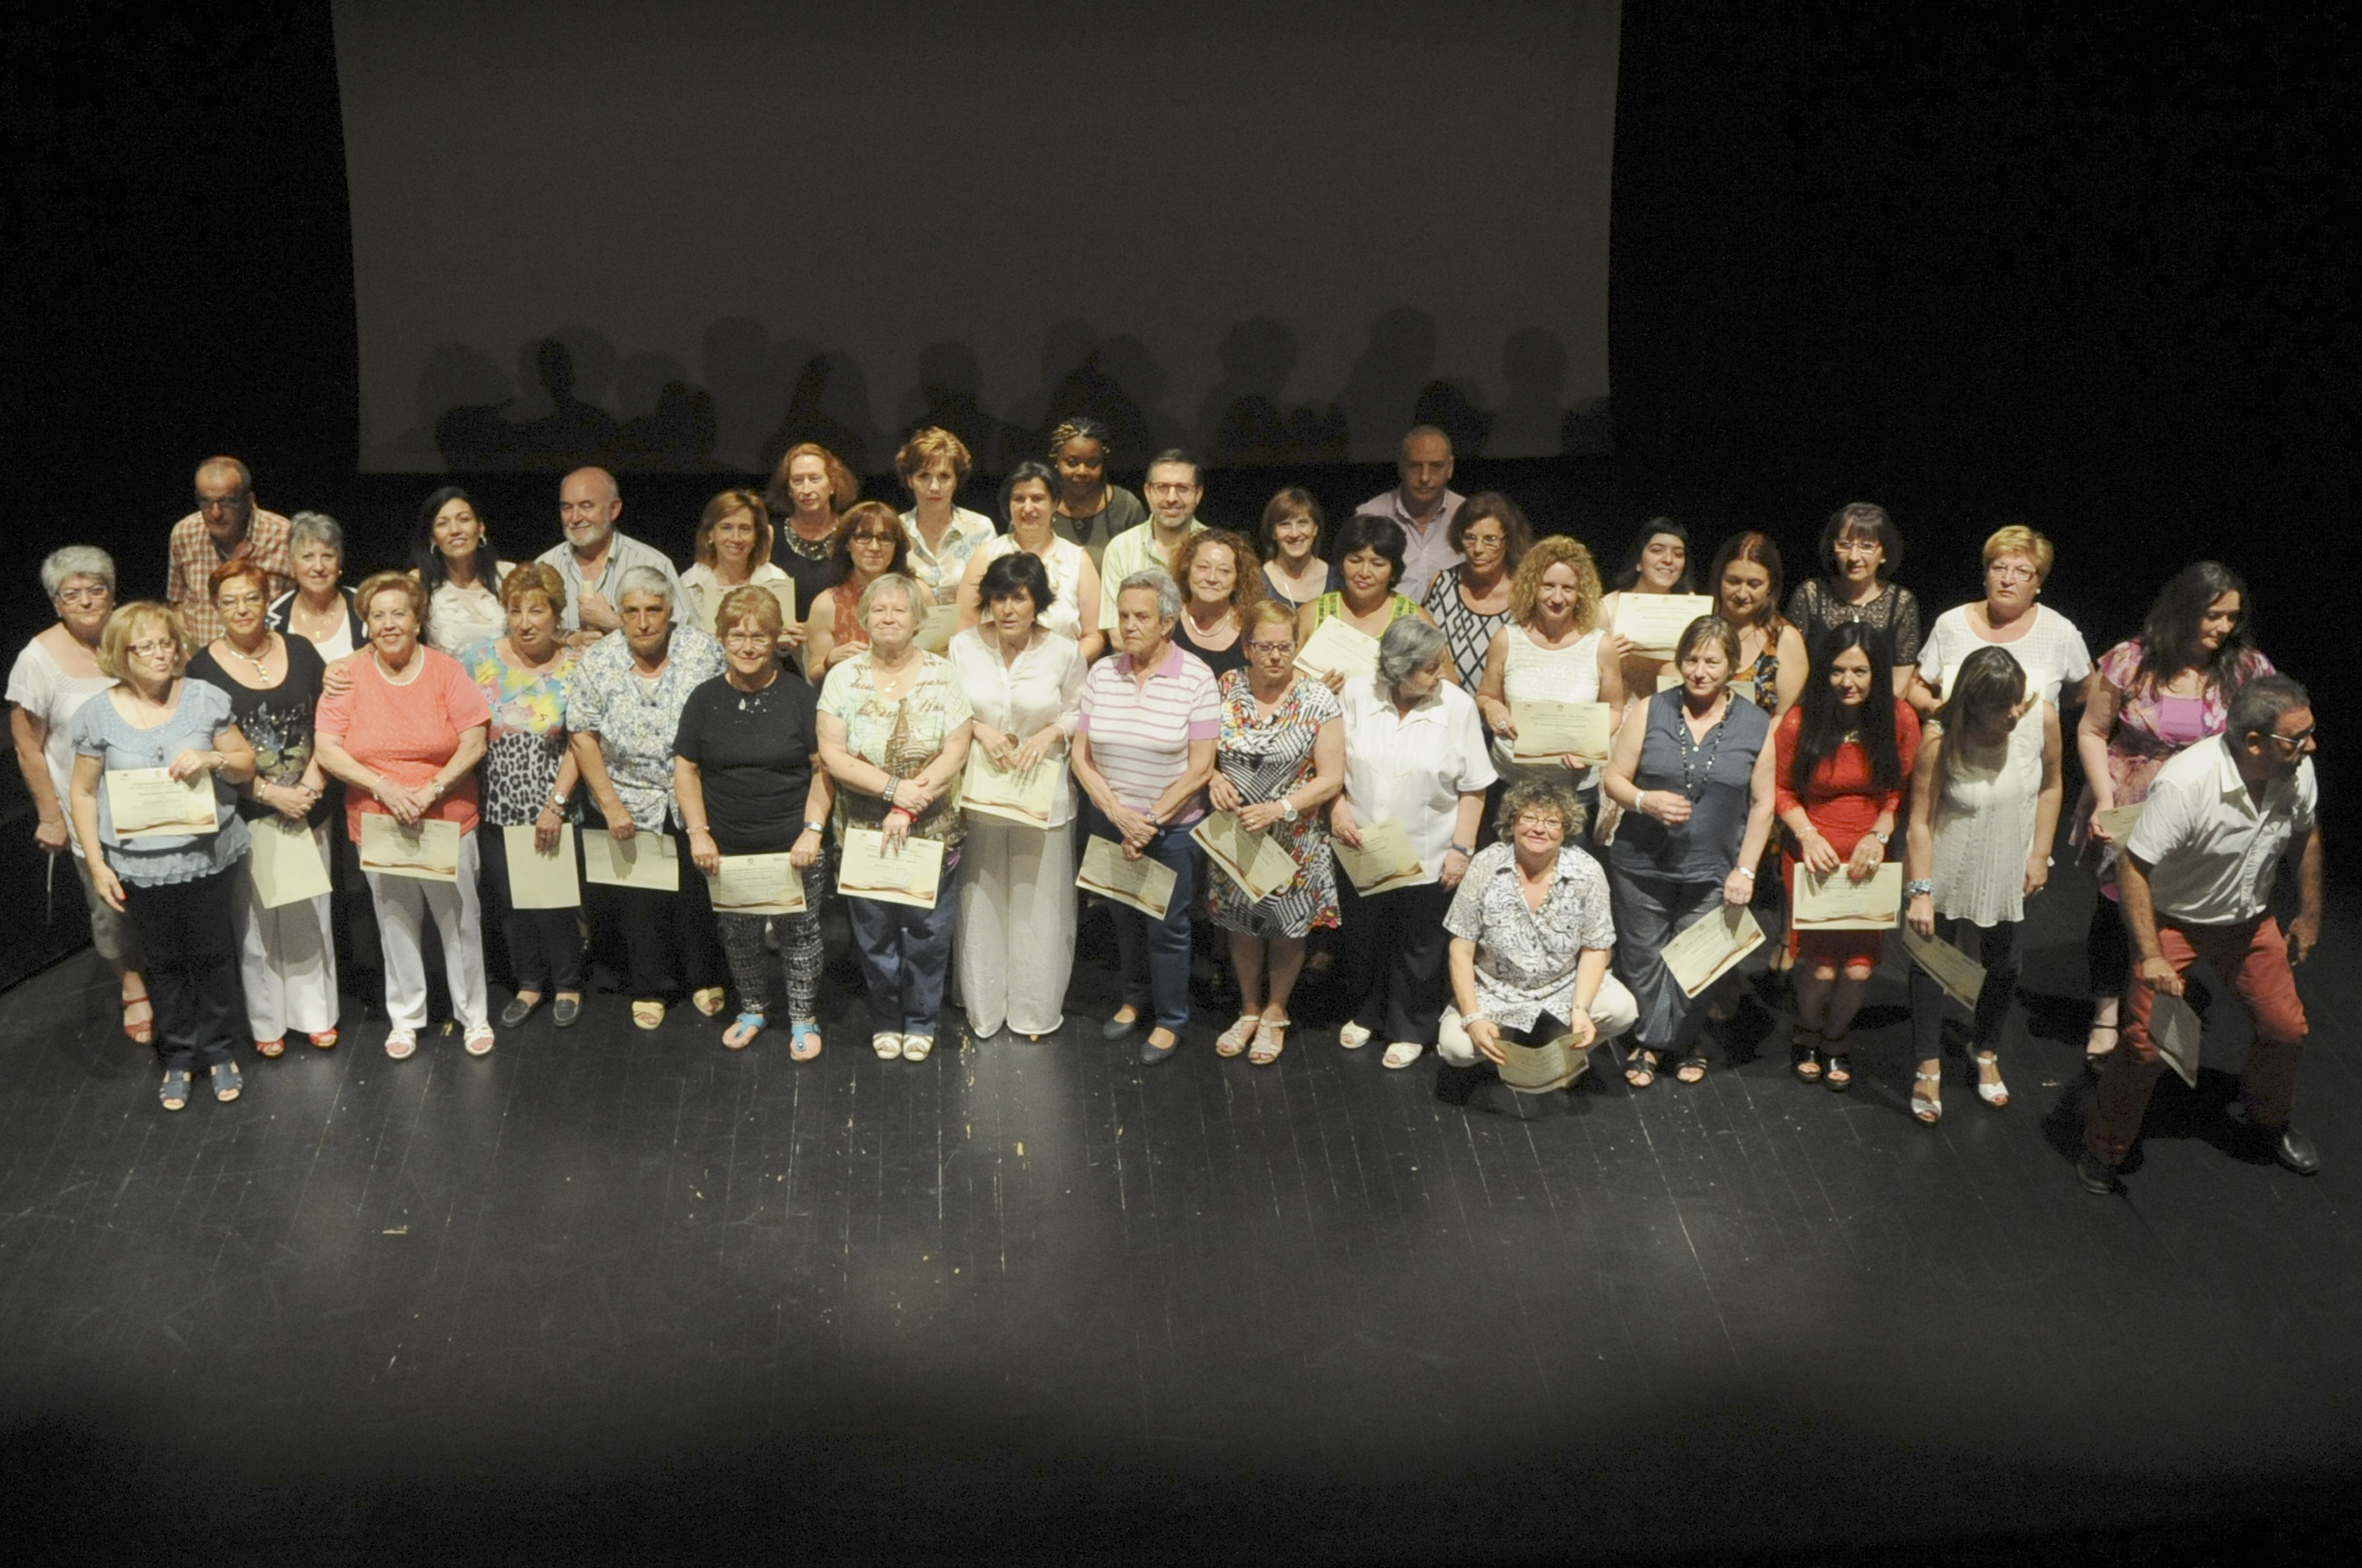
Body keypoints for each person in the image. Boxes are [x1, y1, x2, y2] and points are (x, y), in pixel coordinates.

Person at [2079, 675, 2323, 1192]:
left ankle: (2267, 1119)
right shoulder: (2188, 783)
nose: (2311, 747)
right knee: (2146, 1045)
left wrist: (2309, 914)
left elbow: (2306, 834)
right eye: (2297, 738)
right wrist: (2151, 955)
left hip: (2248, 922)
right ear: (2254, 742)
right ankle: (2104, 1147)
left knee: (2286, 1029)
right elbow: (2134, 867)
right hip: (2174, 921)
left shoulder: (2296, 770)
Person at [2075, 562, 2272, 1071]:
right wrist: (2104, 801)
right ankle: (2106, 1012)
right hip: (2132, 798)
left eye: (2232, 617)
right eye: (2213, 615)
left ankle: (2157, 1011)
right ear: (2184, 609)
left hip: (2203, 807)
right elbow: (2092, 731)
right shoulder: (2131, 660)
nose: (2223, 627)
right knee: (2117, 905)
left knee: (2176, 910)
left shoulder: (2246, 668)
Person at [67, 602, 257, 1109]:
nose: (159, 654)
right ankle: (177, 1056)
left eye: (166, 643)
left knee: (213, 954)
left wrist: (213, 757)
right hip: (141, 866)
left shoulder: (204, 698)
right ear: (121, 654)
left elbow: (245, 763)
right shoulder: (97, 714)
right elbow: (82, 793)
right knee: (163, 960)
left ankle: (219, 1050)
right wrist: (97, 864)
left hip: (206, 856)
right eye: (145, 646)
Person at [313, 574, 494, 1059]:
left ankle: (473, 1014)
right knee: (394, 923)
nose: (389, 624)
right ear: (366, 624)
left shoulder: (447, 672)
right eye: (378, 616)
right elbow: (327, 748)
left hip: (446, 817)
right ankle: (406, 1017)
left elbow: (474, 741)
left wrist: (431, 789)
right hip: (378, 819)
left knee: (459, 921)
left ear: (417, 621)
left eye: (399, 614)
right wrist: (385, 788)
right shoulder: (347, 676)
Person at [1600, 617, 1777, 1089]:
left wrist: (1746, 870)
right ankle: (1664, 1042)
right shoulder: (1652, 709)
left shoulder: (1756, 723)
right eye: (1691, 660)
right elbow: (1614, 778)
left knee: (1697, 962)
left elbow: (1763, 805)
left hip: (1715, 868)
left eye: (1712, 661)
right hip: (1641, 862)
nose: (1700, 671)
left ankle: (1668, 1042)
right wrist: (1645, 801)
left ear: (1732, 667)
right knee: (1644, 960)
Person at [816, 574, 976, 1062]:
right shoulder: (842, 677)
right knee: (875, 935)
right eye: (879, 610)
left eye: (900, 610)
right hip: (863, 833)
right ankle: (886, 1017)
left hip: (933, 832)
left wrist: (908, 805)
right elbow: (832, 755)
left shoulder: (944, 674)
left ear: (918, 620)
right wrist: (892, 790)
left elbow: (956, 750)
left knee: (928, 933)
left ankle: (922, 1019)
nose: (888, 618)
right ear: (864, 618)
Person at [1901, 647, 2063, 1125]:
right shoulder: (1939, 740)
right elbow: (1920, 822)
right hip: (1949, 864)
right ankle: (1927, 1063)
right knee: (1932, 962)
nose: (2013, 713)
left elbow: (2052, 785)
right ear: (1971, 703)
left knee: (2005, 963)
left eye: (2017, 700)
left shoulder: (2039, 719)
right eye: (1999, 705)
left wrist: (2040, 854)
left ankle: (1985, 1048)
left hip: (2007, 863)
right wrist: (1921, 892)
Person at [567, 565, 729, 1029]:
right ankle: (649, 985)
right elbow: (581, 733)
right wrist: (611, 804)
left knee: (697, 895)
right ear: (619, 613)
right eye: (631, 611)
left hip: (693, 795)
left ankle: (703, 976)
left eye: (653, 610)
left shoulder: (702, 651)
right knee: (639, 903)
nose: (642, 622)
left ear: (670, 610)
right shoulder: (599, 661)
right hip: (628, 798)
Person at [188, 559, 338, 1057]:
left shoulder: (301, 649)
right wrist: (270, 794)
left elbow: (330, 722)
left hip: (310, 804)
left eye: (251, 597)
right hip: (248, 813)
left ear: (267, 600)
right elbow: (207, 748)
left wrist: (310, 786)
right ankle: (268, 1021)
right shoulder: (201, 670)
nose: (241, 609)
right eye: (229, 601)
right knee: (255, 924)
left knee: (310, 913)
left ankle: (316, 1014)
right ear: (216, 608)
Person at [676, 585, 833, 1057]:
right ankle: (753, 1009)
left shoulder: (799, 697)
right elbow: (686, 769)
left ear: (775, 640)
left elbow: (822, 769)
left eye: (759, 636)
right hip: (727, 849)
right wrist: (699, 834)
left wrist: (812, 831)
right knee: (739, 936)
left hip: (794, 845)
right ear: (722, 638)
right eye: (737, 636)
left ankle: (803, 1017)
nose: (747, 647)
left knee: (799, 936)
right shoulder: (704, 699)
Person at [1332, 619, 1496, 1067]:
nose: (1440, 673)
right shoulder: (1358, 693)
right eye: (1429, 667)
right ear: (1397, 669)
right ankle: (1367, 1013)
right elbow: (1332, 760)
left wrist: (1461, 850)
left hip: (1429, 850)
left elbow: (1475, 787)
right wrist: (1337, 807)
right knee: (1366, 935)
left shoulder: (1457, 706)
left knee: (1420, 945)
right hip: (1363, 844)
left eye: (1439, 663)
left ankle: (1411, 1028)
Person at [1072, 569, 1220, 1065]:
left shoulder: (1196, 677)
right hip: (1111, 822)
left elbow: (1201, 768)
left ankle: (1171, 1018)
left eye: (1141, 616)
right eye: (1123, 616)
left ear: (1168, 623)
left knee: (1167, 927)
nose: (1129, 626)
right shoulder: (1101, 674)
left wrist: (1149, 822)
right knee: (1122, 917)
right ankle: (1133, 1000)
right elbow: (1081, 758)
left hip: (1171, 829)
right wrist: (1118, 814)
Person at [10, 548, 152, 1045]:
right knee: (108, 904)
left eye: (96, 589)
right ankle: (132, 985)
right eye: (72, 593)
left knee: (163, 895)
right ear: (56, 602)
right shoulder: (38, 658)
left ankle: (171, 969)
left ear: (112, 593)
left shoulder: (134, 632)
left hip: (152, 799)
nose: (87, 601)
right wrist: (51, 815)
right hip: (89, 810)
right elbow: (28, 746)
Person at [1772, 624, 1919, 1089]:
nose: (1847, 681)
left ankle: (1836, 1037)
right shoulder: (1800, 721)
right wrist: (1807, 834)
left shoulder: (1899, 719)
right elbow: (1780, 789)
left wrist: (1880, 832)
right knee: (1819, 967)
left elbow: (1901, 790)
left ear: (1877, 673)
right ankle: (1807, 1032)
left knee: (1858, 968)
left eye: (1859, 671)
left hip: (1869, 858)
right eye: (1837, 670)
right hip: (1811, 855)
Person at [949, 552, 1087, 1040]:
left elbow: (1079, 711)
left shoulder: (1064, 651)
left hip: (1042, 790)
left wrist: (1050, 733)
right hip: (981, 791)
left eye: (1020, 598)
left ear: (1038, 602)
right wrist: (978, 728)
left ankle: (1033, 1009)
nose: (1008, 609)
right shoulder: (963, 646)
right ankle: (984, 1006)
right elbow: (947, 705)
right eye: (1000, 597)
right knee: (980, 897)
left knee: (1039, 903)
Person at [1436, 778, 1643, 1104]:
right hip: (1498, 989)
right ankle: (1504, 1041)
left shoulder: (1587, 872)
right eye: (1529, 818)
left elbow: (1595, 948)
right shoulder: (1486, 865)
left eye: (1551, 822)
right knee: (1456, 1049)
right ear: (1512, 822)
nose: (1539, 829)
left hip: (1563, 985)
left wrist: (1581, 1008)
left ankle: (1561, 1043)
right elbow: (1460, 950)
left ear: (1565, 829)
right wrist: (1473, 1018)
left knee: (1622, 1010)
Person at [1204, 602, 1345, 1067]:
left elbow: (1331, 778)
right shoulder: (1226, 687)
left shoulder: (1317, 698)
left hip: (1293, 835)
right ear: (1246, 647)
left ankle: (1276, 1010)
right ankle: (1248, 1008)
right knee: (1241, 923)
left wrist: (1280, 809)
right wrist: (1213, 778)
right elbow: (1201, 752)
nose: (1275, 656)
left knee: (1287, 927)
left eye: (1285, 646)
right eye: (1264, 646)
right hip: (1236, 833)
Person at [462, 563, 586, 1030]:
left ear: (556, 615)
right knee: (511, 901)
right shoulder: (479, 659)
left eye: (536, 611)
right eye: (515, 611)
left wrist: (555, 804)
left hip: (554, 803)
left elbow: (582, 741)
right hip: (496, 806)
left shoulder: (576, 665)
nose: (525, 622)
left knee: (555, 902)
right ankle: (529, 984)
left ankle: (568, 983)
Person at [1475, 535, 1624, 798]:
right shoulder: (1507, 639)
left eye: (1568, 588)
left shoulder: (1600, 646)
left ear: (1581, 593)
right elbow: (1485, 696)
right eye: (1548, 586)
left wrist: (1590, 747)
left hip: (1575, 791)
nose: (1557, 598)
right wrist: (1492, 707)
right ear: (1532, 588)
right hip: (1510, 785)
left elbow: (1614, 709)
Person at [1914, 524, 2091, 714]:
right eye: (1999, 568)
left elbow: (2085, 691)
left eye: (2022, 571)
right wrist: (1932, 707)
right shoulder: (1951, 624)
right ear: (1986, 575)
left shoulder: (2059, 631)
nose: (2007, 579)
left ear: (2038, 582)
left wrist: (2042, 711)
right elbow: (1918, 684)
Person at [954, 460, 1105, 661]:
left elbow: (1093, 636)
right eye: (1019, 499)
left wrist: (1065, 667)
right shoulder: (986, 555)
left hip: (1060, 672)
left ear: (1055, 504)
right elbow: (965, 627)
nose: (1028, 508)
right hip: (994, 670)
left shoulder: (1078, 560)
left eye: (1037, 498)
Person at [1784, 503, 1923, 698]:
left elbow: (1900, 682)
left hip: (1878, 710)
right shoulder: (1810, 594)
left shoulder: (1901, 602)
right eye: (1845, 545)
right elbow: (1789, 666)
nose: (1853, 557)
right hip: (1815, 706)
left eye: (1866, 546)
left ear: (1883, 553)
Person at [537, 466, 684, 647]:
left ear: (614, 509)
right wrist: (567, 639)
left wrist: (615, 623)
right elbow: (521, 636)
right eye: (567, 508)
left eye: (586, 506)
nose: (575, 518)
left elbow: (686, 640)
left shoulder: (653, 564)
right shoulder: (544, 565)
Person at [1296, 513, 1441, 693]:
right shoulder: (1313, 613)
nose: (1364, 573)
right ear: (1341, 564)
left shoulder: (1414, 618)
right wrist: (1313, 690)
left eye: (1378, 564)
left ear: (1393, 571)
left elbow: (1446, 683)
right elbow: (1282, 677)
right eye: (1355, 561)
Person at [166, 456, 294, 647]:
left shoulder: (283, 535)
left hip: (266, 655)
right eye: (206, 502)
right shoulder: (185, 533)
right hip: (202, 657)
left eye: (226, 502)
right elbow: (177, 604)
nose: (216, 513)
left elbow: (303, 604)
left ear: (249, 500)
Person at [1422, 491, 1532, 692]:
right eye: (1470, 538)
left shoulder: (1526, 592)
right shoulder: (1442, 583)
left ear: (1509, 541)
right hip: (1441, 703)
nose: (1478, 549)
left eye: (1490, 539)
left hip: (1502, 707)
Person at [802, 500, 914, 687]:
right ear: (847, 544)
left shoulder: (917, 594)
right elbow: (814, 675)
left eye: (885, 538)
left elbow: (939, 654)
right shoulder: (826, 604)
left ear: (896, 546)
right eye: (864, 536)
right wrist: (830, 660)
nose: (875, 547)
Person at [1097, 451, 1208, 631]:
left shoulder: (1219, 550)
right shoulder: (1120, 548)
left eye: (1182, 488)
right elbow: (1116, 631)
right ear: (1148, 492)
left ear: (1198, 493)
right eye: (1162, 488)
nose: (1171, 498)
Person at [1352, 425, 1465, 602]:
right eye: (1415, 466)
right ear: (1401, 466)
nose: (1425, 477)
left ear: (1450, 467)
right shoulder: (1370, 516)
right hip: (1387, 619)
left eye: (1436, 466)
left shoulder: (1468, 516)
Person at [764, 441, 859, 648]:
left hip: (847, 646)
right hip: (786, 651)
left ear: (833, 485)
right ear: (788, 489)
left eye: (815, 479)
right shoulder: (770, 535)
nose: (806, 489)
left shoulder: (854, 531)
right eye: (798, 481)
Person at [677, 489, 796, 650]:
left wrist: (787, 643)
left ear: (756, 536)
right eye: (726, 528)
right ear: (711, 533)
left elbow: (783, 649)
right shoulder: (689, 583)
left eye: (745, 529)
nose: (736, 538)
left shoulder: (776, 579)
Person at [1708, 532, 1808, 718]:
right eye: (1733, 581)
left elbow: (1784, 717)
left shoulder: (1783, 638)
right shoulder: (1698, 627)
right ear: (1719, 579)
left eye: (1754, 584)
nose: (1742, 594)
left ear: (1770, 586)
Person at [1597, 518, 1697, 698]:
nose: (1668, 560)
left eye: (1678, 554)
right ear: (1638, 560)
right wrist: (1605, 659)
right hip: (1620, 708)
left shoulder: (1693, 609)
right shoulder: (1607, 609)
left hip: (1675, 709)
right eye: (1657, 550)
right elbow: (1582, 674)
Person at [896, 426, 997, 606]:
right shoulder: (895, 530)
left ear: (956, 480)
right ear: (910, 480)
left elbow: (997, 593)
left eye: (944, 476)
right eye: (924, 476)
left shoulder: (980, 528)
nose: (934, 487)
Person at [412, 486, 512, 653]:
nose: (455, 530)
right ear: (433, 537)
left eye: (464, 520)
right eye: (442, 524)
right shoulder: (420, 582)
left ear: (480, 528)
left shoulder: (509, 575)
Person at [1047, 416, 1146, 568]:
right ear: (1056, 461)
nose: (1082, 471)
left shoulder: (1126, 507)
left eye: (1092, 463)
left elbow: (1143, 567)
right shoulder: (1036, 505)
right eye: (1072, 462)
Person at [1171, 529, 1264, 681]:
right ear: (1186, 570)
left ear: (1239, 579)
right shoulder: (1167, 622)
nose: (1212, 578)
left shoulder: (1253, 628)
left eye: (1224, 571)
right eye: (1203, 567)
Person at [268, 511, 365, 658]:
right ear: (292, 565)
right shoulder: (272, 615)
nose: (319, 567)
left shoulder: (364, 605)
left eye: (327, 556)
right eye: (308, 557)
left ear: (339, 562)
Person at [1257, 487, 1330, 612]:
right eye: (1285, 525)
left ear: (1315, 529)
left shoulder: (1337, 581)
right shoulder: (1258, 583)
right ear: (1273, 532)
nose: (1294, 534)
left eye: (1302, 523)